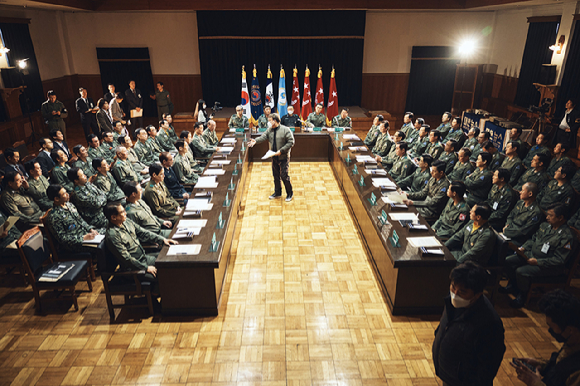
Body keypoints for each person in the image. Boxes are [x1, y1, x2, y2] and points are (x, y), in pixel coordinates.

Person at [432, 262, 505, 386]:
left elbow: (487, 369)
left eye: (462, 292)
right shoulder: (453, 302)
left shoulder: (490, 325)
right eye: (453, 287)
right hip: (448, 377)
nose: (455, 294)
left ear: (477, 295)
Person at [503, 203, 577, 308]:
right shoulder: (545, 226)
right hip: (530, 255)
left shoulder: (567, 236)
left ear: (561, 218)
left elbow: (559, 260)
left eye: (551, 215)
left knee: (521, 272)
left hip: (548, 265)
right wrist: (524, 247)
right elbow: (533, 239)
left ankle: (522, 295)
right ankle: (514, 285)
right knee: (508, 261)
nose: (547, 217)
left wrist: (538, 262)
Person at [511, 289, 580, 386]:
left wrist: (535, 383)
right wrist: (541, 365)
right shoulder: (572, 340)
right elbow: (560, 366)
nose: (549, 330)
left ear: (569, 330)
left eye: (551, 327)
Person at [104, 203, 176, 276]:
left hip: (143, 258)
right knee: (165, 275)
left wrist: (162, 240)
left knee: (169, 260)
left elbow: (143, 232)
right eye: (122, 212)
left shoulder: (126, 221)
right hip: (133, 269)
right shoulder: (112, 235)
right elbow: (126, 259)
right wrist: (146, 268)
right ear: (113, 217)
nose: (126, 213)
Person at [248, 113, 295, 201]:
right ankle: (277, 192)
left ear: (275, 120)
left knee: (284, 175)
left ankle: (289, 193)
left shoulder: (285, 130)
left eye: (270, 120)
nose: (268, 122)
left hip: (283, 156)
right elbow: (263, 137)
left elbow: (291, 142)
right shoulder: (269, 130)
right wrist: (255, 141)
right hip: (273, 156)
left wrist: (281, 151)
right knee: (276, 175)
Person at [45, 184, 104, 254]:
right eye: (64, 194)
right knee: (101, 246)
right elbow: (62, 238)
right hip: (75, 244)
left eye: (66, 192)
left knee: (108, 233)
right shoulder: (53, 216)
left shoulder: (69, 205)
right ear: (56, 199)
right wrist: (83, 238)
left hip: (86, 234)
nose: (67, 194)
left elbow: (80, 220)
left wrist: (90, 229)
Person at [503, 182, 542, 247]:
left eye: (523, 190)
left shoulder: (536, 212)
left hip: (518, 239)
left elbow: (524, 231)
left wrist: (507, 231)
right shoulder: (520, 202)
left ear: (530, 194)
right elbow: (510, 216)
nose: (520, 192)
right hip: (508, 231)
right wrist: (507, 226)